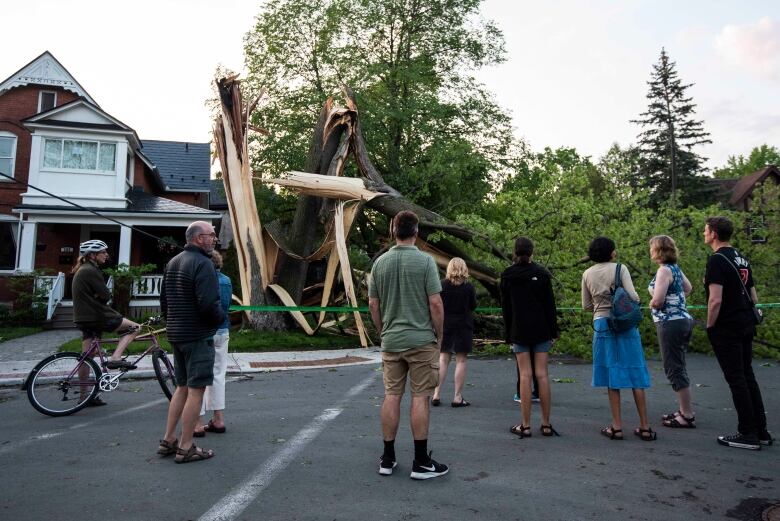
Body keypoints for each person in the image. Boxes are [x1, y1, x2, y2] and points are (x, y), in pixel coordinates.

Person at [368, 210, 449, 480]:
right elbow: (435, 303)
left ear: (393, 232)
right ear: (416, 232)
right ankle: (421, 461)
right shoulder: (426, 262)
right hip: (420, 339)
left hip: (392, 340)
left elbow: (373, 304)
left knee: (392, 395)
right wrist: (440, 335)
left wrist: (383, 331)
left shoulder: (380, 264)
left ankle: (387, 457)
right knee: (420, 397)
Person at [157, 221, 225, 463]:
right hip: (197, 335)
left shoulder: (173, 262)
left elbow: (164, 301)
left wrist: (174, 321)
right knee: (196, 390)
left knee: (182, 387)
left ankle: (168, 440)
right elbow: (209, 304)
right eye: (211, 235)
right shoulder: (204, 264)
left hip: (177, 334)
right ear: (198, 238)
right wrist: (219, 319)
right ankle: (186, 447)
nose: (215, 238)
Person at [703, 216, 772, 450]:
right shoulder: (742, 258)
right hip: (745, 322)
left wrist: (709, 325)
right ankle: (761, 430)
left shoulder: (716, 260)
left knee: (736, 378)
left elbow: (715, 299)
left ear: (713, 233)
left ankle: (747, 433)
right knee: (747, 375)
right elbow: (753, 296)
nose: (704, 234)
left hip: (727, 325)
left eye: (706, 231)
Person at [581, 236, 655, 441]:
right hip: (624, 324)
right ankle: (645, 426)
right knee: (635, 371)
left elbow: (586, 306)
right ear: (611, 252)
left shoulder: (587, 273)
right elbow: (633, 297)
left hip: (602, 324)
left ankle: (617, 426)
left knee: (612, 374)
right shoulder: (620, 269)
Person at [501, 237, 559, 438]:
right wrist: (554, 332)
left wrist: (508, 334)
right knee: (542, 374)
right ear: (532, 252)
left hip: (519, 329)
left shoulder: (508, 275)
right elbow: (549, 306)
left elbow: (506, 308)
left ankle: (525, 425)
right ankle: (546, 424)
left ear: (515, 253)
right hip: (541, 328)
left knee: (525, 375)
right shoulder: (542, 274)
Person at [72, 239, 141, 405]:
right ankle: (115, 358)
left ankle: (85, 396)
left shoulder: (82, 269)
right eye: (103, 252)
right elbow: (105, 295)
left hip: (83, 318)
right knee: (135, 327)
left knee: (86, 357)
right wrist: (100, 296)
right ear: (93, 255)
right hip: (97, 316)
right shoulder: (91, 270)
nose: (106, 255)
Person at [647, 235, 695, 428]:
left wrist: (651, 302)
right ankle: (684, 410)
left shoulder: (663, 271)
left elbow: (658, 300)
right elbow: (688, 288)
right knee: (679, 365)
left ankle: (687, 414)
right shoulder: (675, 268)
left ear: (657, 251)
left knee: (673, 367)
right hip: (683, 319)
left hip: (670, 323)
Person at [194, 251, 232, 437]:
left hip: (204, 331)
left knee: (199, 376)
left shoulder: (202, 280)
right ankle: (218, 418)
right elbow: (225, 306)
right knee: (218, 375)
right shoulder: (226, 281)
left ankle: (198, 422)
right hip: (223, 330)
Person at [431, 258, 476, 408]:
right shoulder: (468, 287)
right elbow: (473, 306)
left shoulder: (442, 285)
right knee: (461, 360)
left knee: (443, 359)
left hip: (446, 325)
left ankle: (436, 394)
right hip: (463, 325)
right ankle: (457, 396)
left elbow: (436, 304)